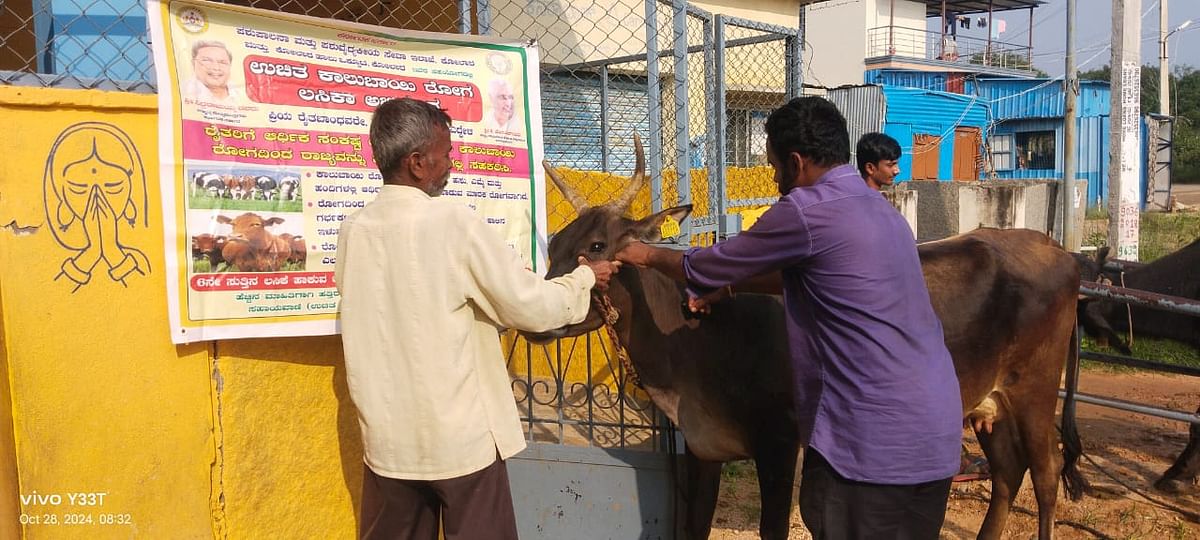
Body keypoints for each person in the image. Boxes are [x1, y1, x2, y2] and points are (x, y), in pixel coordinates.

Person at [616, 96, 962, 539]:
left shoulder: (805, 209)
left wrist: (642, 253)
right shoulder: (879, 208)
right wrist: (731, 288)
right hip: (933, 431)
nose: (776, 178)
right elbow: (816, 278)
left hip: (870, 442)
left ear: (797, 162)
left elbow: (703, 264)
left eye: (776, 167)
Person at [335, 98, 619, 539]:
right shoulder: (451, 222)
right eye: (445, 153)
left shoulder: (355, 228)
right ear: (417, 163)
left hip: (388, 444)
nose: (451, 162)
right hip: (460, 443)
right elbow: (534, 307)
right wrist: (584, 278)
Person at [182, 40, 242, 105]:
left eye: (222, 62)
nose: (216, 67)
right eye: (207, 60)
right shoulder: (182, 92)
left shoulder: (241, 93)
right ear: (193, 63)